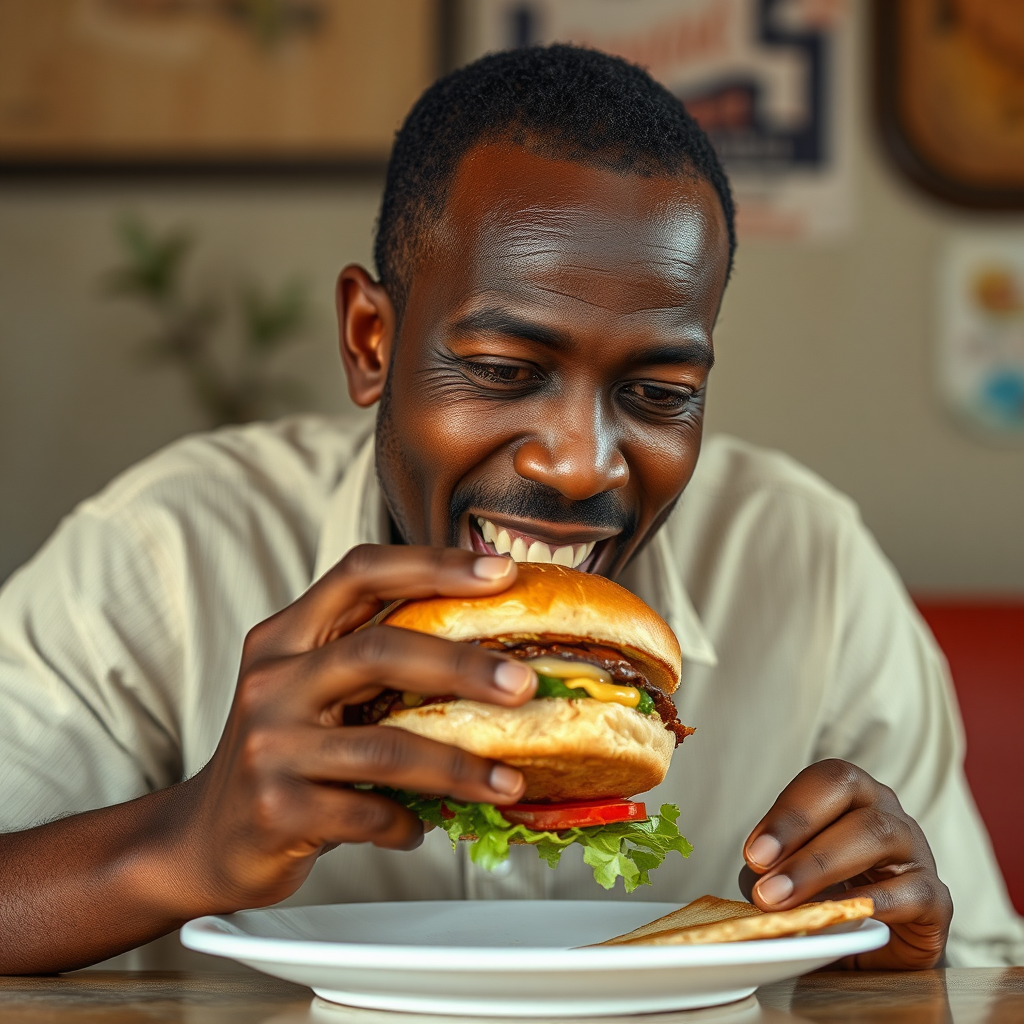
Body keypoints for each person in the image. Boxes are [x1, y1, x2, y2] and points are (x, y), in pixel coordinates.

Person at [0, 45, 1020, 975]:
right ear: (368, 341)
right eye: (501, 369)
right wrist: (181, 842)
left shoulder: (808, 562)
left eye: (659, 392)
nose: (579, 464)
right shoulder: (166, 548)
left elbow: (978, 964)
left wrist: (905, 964)